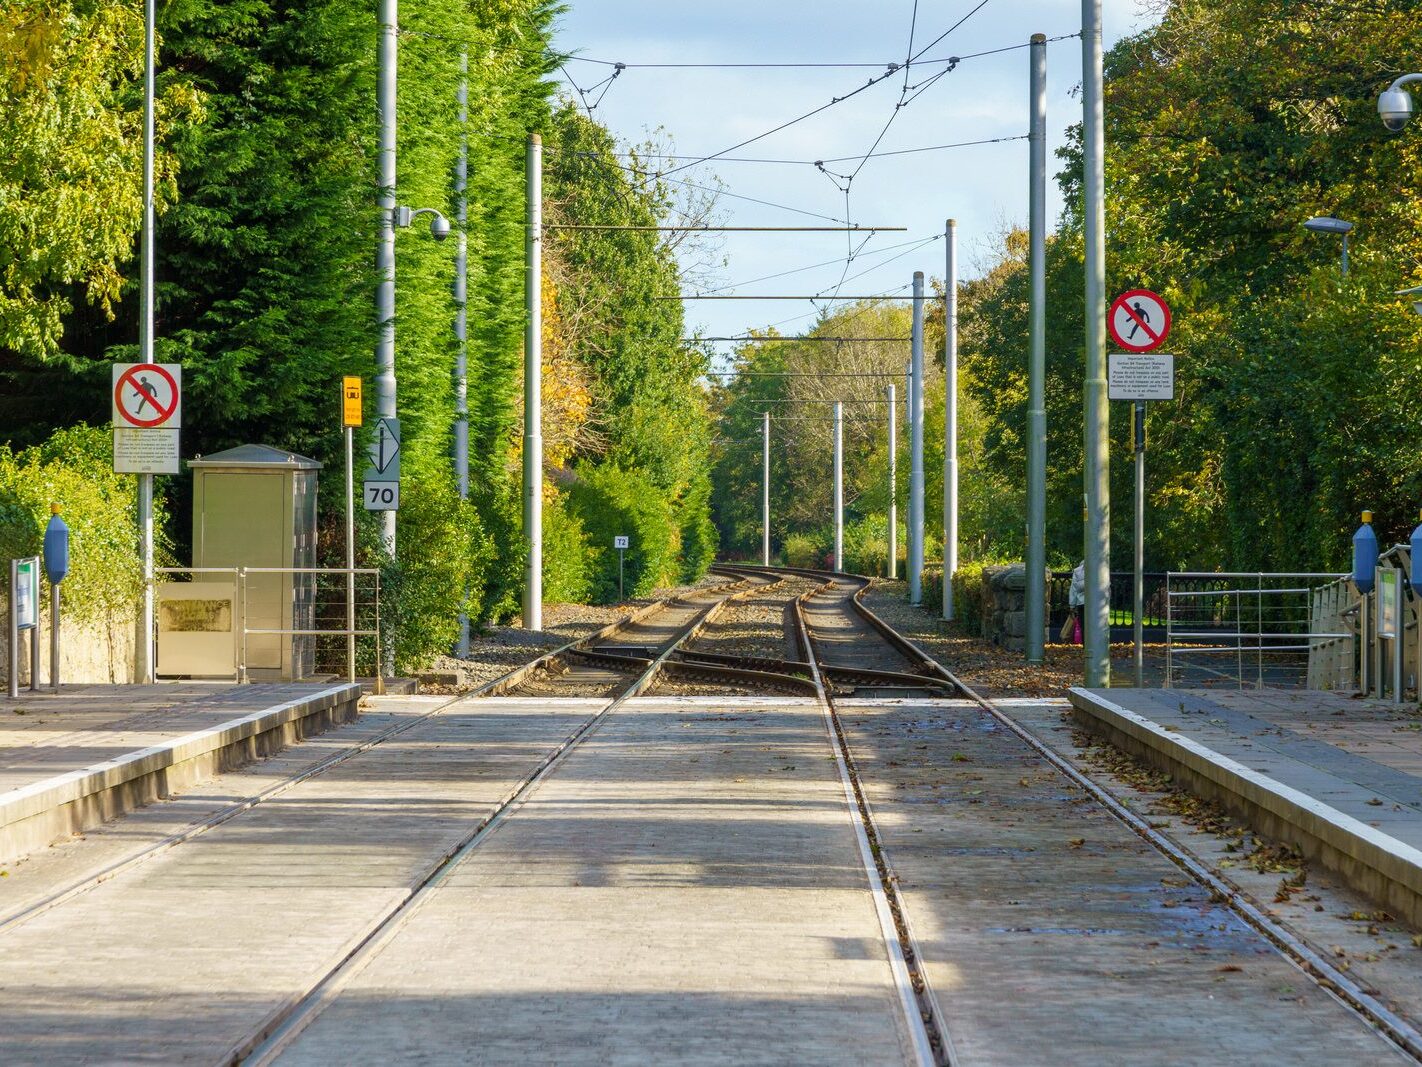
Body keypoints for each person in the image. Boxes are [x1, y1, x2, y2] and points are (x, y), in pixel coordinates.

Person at [1061, 559, 1086, 644]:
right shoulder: (1100, 569)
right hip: (1096, 604)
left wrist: (1072, 605)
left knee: (1084, 626)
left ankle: (1086, 646)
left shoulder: (1077, 572)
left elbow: (1073, 590)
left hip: (1082, 602)